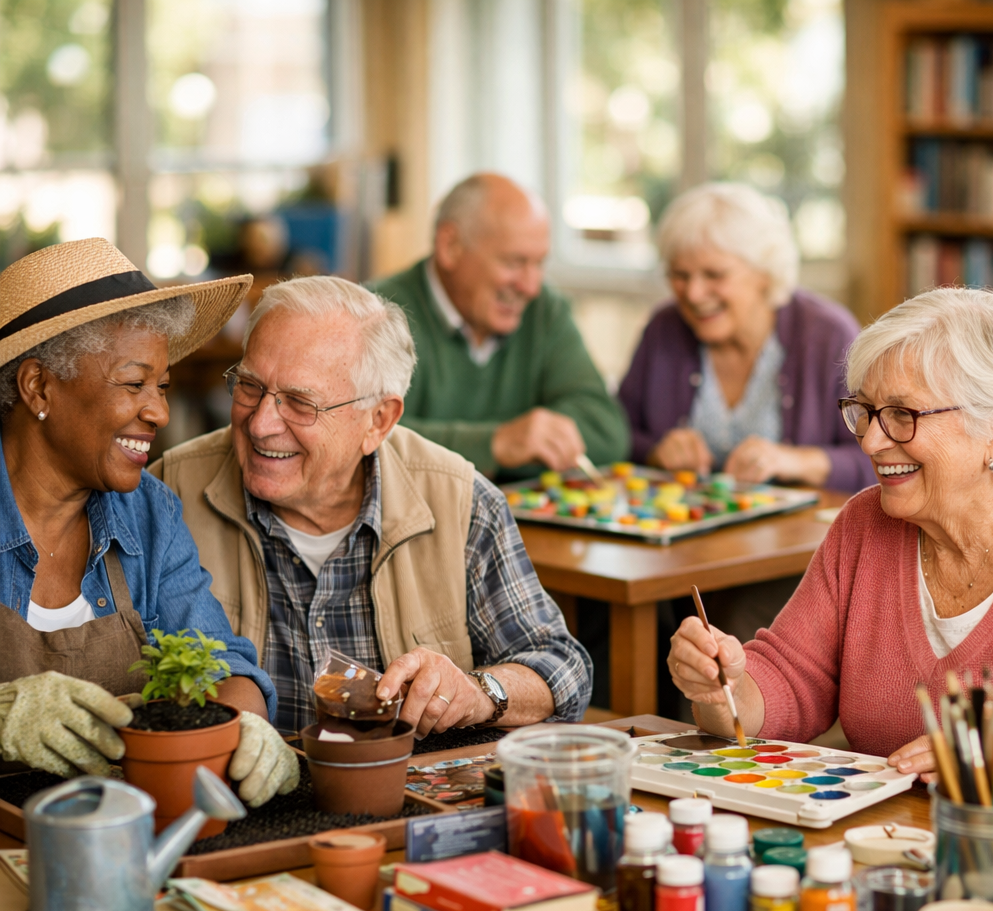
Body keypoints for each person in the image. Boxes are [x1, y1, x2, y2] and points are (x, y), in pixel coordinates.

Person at [150, 275, 592, 737]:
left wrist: (480, 691)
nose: (261, 424)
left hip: (406, 797)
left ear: (379, 421)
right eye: (249, 386)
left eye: (301, 403)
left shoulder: (460, 500)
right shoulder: (167, 492)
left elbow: (562, 667)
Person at [667, 287, 993, 782]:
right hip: (874, 842)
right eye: (868, 412)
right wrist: (725, 685)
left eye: (903, 414)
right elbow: (791, 679)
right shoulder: (864, 524)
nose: (872, 442)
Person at [0, 237, 296, 806]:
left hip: (116, 834)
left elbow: (219, 662)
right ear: (38, 386)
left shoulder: (149, 513)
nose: (159, 412)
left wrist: (243, 725)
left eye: (161, 387)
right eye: (134, 384)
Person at [367, 173, 629, 480]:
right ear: (449, 245)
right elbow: (359, 440)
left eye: (539, 263)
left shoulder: (544, 309)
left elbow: (608, 433)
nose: (531, 287)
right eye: (514, 263)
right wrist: (496, 443)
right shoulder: (373, 315)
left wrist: (514, 446)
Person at [619, 182, 873, 491]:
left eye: (714, 275)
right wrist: (656, 452)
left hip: (801, 537)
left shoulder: (828, 336)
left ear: (764, 273)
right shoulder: (664, 327)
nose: (694, 294)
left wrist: (796, 461)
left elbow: (876, 460)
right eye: (680, 275)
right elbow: (617, 431)